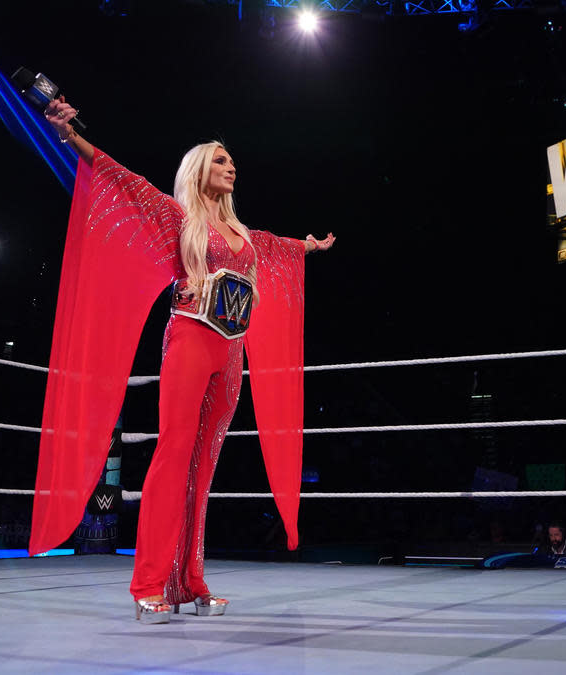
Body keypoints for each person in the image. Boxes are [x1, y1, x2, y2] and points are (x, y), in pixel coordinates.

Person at [26, 96, 336, 623]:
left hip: (230, 349)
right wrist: (70, 134)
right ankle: (149, 579)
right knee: (174, 453)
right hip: (191, 337)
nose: (230, 165)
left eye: (232, 160)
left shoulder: (244, 234)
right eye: (219, 159)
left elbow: (273, 245)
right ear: (198, 169)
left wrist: (306, 248)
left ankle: (189, 580)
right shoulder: (178, 216)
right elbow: (127, 182)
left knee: (205, 466)